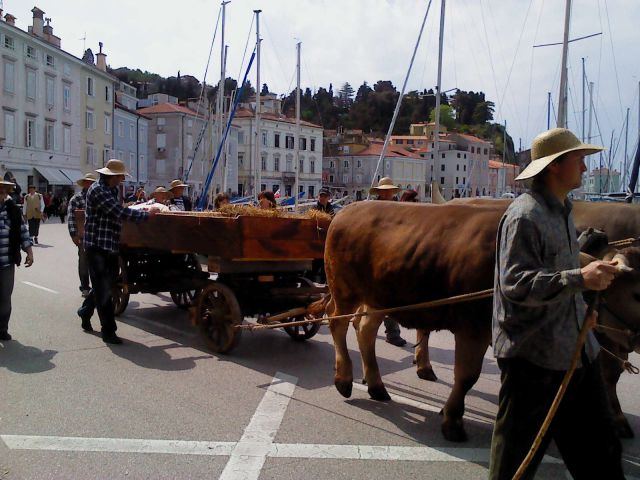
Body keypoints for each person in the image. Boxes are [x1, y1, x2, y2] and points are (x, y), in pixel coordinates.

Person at [489, 128, 624, 480]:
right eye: (577, 158)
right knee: (515, 462)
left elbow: (559, 264)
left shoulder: (562, 209)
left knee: (602, 452)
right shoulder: (524, 216)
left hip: (577, 350)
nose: (584, 165)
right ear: (554, 166)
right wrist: (582, 279)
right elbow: (515, 285)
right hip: (534, 360)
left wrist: (592, 273)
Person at [77, 159, 159, 344]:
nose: (122, 179)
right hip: (96, 245)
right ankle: (109, 331)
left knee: (105, 285)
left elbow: (120, 210)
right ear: (110, 176)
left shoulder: (113, 190)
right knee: (104, 291)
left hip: (111, 244)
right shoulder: (97, 190)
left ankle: (84, 311)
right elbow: (118, 212)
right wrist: (147, 215)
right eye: (120, 176)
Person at [369, 177, 406, 347]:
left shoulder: (398, 208)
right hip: (376, 255)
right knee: (387, 296)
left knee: (390, 295)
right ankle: (392, 332)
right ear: (380, 192)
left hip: (393, 254)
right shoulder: (373, 209)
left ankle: (391, 332)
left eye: (390, 190)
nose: (388, 193)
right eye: (385, 190)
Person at [0, 179, 34, 341]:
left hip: (7, 262)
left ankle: (2, 329)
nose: (2, 193)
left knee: (5, 297)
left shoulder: (12, 209)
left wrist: (29, 251)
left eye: (3, 190)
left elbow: (22, 231)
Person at [68, 173, 97, 298]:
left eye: (92, 182)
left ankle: (97, 287)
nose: (90, 184)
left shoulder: (98, 197)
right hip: (83, 236)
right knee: (84, 262)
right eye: (88, 182)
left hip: (97, 236)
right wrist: (74, 235)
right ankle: (85, 287)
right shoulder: (76, 199)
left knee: (97, 263)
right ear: (84, 184)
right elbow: (71, 218)